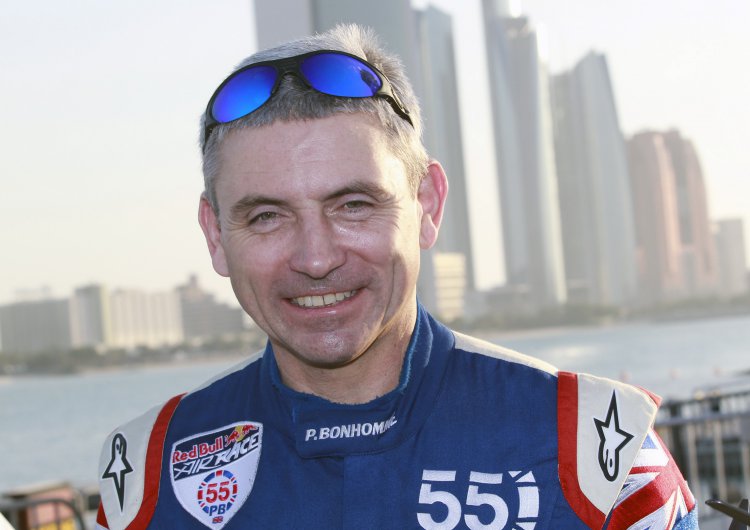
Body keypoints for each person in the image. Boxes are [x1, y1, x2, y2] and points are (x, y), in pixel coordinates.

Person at [95, 24, 699, 530]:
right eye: (267, 216)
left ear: (427, 205)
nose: (315, 258)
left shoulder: (598, 455)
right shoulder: (144, 481)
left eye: (353, 205)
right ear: (214, 235)